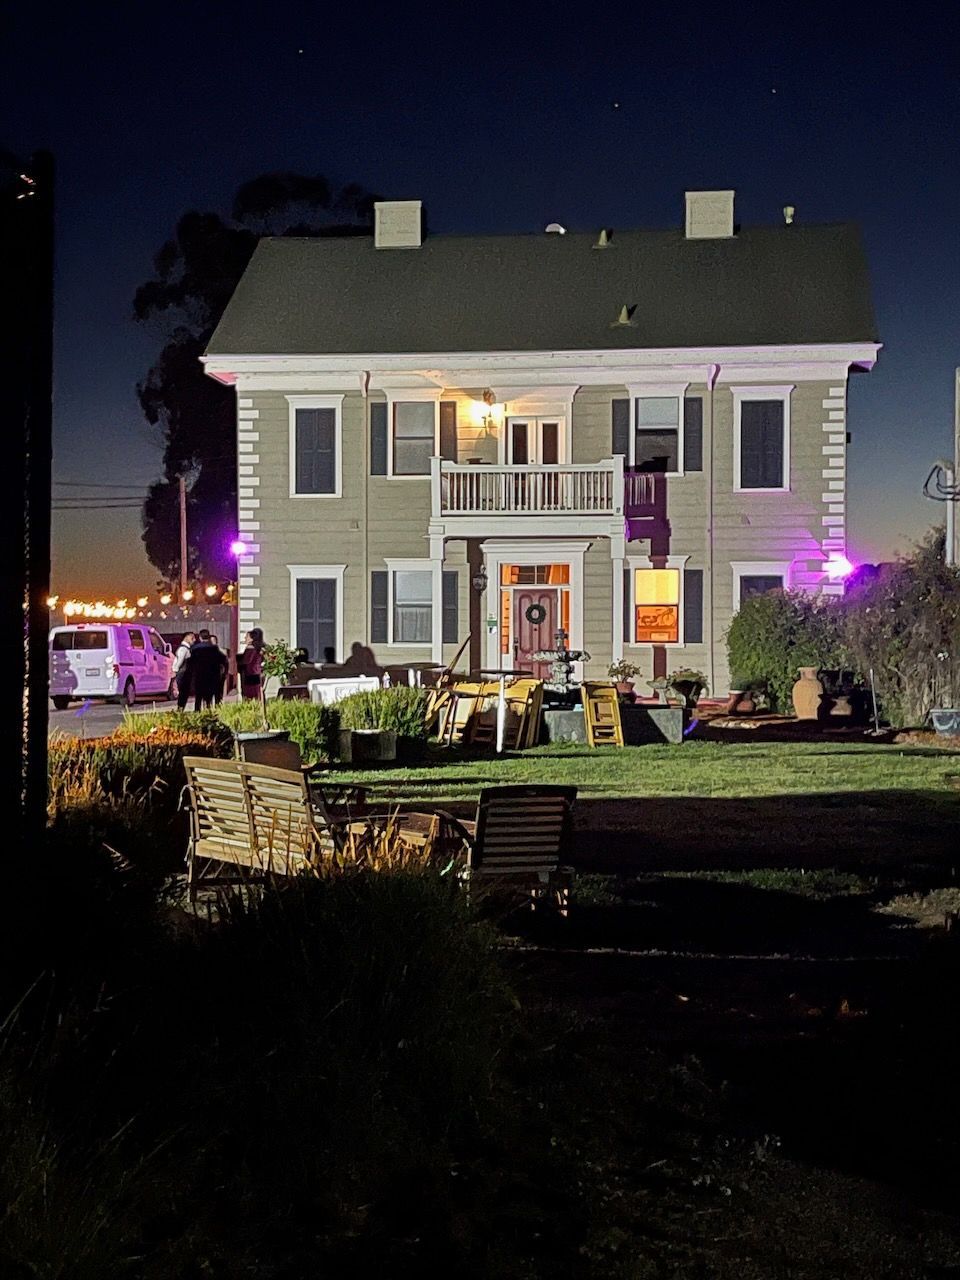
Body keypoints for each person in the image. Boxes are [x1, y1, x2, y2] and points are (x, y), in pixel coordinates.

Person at [189, 629, 228, 711]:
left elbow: (191, 663)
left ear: (200, 637)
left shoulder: (195, 649)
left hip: (199, 676)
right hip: (212, 676)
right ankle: (210, 710)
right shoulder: (214, 648)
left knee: (198, 697)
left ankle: (197, 712)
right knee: (210, 696)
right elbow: (223, 660)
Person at [236, 628, 264, 701]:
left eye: (247, 636)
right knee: (257, 694)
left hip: (249, 675)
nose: (245, 638)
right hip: (256, 674)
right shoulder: (258, 649)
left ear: (252, 639)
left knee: (249, 695)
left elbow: (245, 661)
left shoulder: (250, 649)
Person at [173, 632, 196, 710]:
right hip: (183, 674)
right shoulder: (183, 649)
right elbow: (179, 661)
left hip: (184, 673)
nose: (194, 640)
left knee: (184, 693)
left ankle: (180, 709)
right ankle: (180, 709)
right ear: (186, 637)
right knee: (183, 693)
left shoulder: (186, 648)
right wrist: (175, 671)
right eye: (192, 638)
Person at [209, 633, 227, 704]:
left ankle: (218, 705)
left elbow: (225, 662)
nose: (212, 642)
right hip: (210, 675)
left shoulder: (221, 651)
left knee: (218, 693)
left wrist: (224, 673)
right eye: (211, 641)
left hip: (219, 674)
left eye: (213, 640)